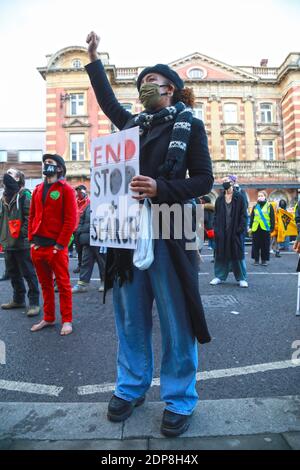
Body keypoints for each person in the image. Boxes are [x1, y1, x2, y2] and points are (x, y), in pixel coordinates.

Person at [85, 31, 214, 437]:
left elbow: (204, 181)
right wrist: (92, 59)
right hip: (125, 234)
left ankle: (179, 398)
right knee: (130, 316)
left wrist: (161, 188)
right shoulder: (132, 125)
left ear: (170, 88)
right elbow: (108, 102)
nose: (142, 91)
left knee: (177, 319)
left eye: (149, 84)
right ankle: (131, 386)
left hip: (171, 231)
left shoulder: (189, 125)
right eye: (139, 86)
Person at [28, 154, 77, 336]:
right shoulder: (38, 189)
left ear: (59, 168)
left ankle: (67, 320)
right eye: (45, 163)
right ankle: (48, 318)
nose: (46, 165)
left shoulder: (66, 190)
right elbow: (32, 216)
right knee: (45, 284)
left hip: (55, 248)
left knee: (63, 285)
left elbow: (70, 220)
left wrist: (59, 245)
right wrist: (31, 240)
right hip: (37, 247)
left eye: (50, 163)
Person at [0, 168, 40, 316]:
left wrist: (22, 235)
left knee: (29, 273)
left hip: (21, 243)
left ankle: (34, 303)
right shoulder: (4, 197)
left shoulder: (24, 195)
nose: (6, 175)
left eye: (11, 173)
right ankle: (18, 299)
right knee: (13, 273)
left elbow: (30, 217)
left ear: (18, 178)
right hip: (8, 243)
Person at [210, 176, 248, 287]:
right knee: (220, 254)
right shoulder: (220, 199)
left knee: (238, 255)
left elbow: (244, 215)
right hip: (222, 232)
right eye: (223, 181)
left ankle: (242, 278)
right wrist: (216, 229)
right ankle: (219, 276)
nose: (225, 183)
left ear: (233, 182)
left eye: (227, 181)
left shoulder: (240, 197)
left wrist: (240, 229)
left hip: (235, 232)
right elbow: (216, 215)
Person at [72, 203, 105, 293]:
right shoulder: (89, 205)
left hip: (101, 240)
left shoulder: (106, 203)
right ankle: (82, 284)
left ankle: (105, 282)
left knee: (103, 262)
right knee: (85, 262)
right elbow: (81, 220)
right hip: (88, 239)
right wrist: (80, 232)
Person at [249, 191, 275, 266]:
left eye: (261, 195)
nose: (260, 197)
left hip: (265, 228)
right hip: (256, 228)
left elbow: (272, 218)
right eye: (259, 196)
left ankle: (264, 260)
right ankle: (256, 260)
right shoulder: (255, 206)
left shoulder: (269, 206)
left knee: (265, 245)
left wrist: (272, 228)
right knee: (255, 245)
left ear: (265, 197)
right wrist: (250, 227)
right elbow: (252, 217)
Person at [73, 185, 90, 272]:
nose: (78, 193)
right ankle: (80, 265)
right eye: (77, 191)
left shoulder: (89, 202)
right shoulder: (74, 202)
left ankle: (84, 267)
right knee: (78, 249)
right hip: (76, 230)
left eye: (80, 191)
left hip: (85, 230)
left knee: (86, 251)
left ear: (84, 192)